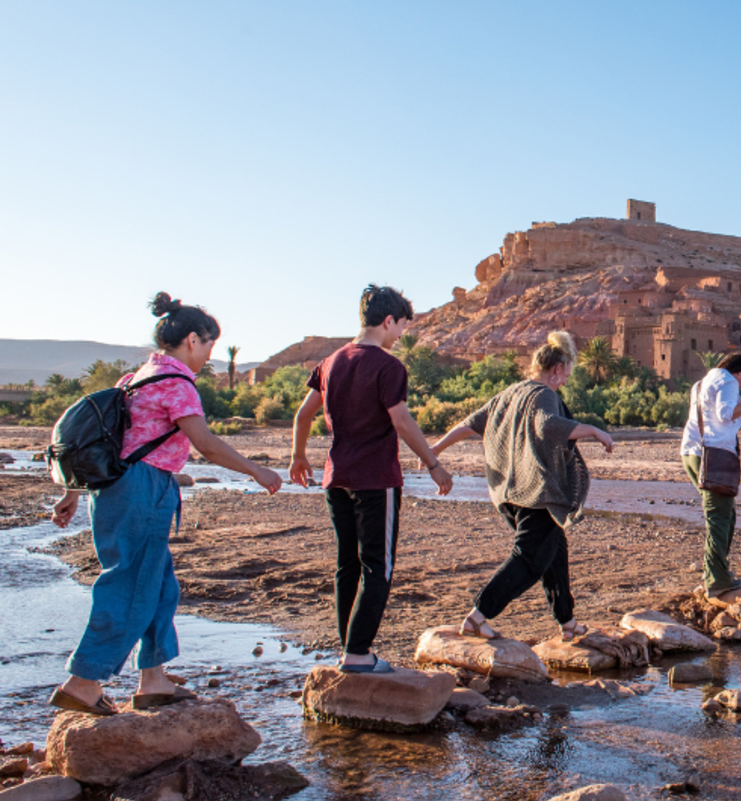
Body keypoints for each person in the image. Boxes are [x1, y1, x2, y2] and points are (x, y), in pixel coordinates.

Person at [49, 293, 283, 716]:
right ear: (193, 340)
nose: (211, 355)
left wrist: (73, 492)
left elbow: (105, 441)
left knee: (157, 584)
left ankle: (153, 680)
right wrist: (256, 471)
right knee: (129, 582)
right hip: (142, 487)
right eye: (210, 345)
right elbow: (206, 444)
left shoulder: (136, 377)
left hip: (115, 487)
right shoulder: (176, 383)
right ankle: (83, 682)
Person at [289, 285, 453, 674]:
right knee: (377, 566)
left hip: (337, 478)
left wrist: (298, 457)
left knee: (347, 564)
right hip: (375, 479)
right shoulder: (388, 366)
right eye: (401, 328)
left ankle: (348, 648)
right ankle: (359, 654)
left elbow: (302, 415)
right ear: (388, 320)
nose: (400, 337)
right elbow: (401, 419)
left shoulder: (331, 362)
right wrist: (433, 464)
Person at [429, 331, 614, 642]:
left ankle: (566, 621)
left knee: (554, 552)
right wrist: (593, 430)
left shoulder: (510, 393)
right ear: (557, 370)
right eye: (565, 376)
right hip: (535, 493)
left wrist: (435, 449)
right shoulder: (545, 394)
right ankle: (477, 616)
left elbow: (469, 424)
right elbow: (547, 426)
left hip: (508, 493)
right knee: (529, 559)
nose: (565, 382)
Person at [680, 354, 741, 595]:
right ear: (740, 371)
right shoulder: (727, 381)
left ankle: (716, 573)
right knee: (719, 519)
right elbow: (726, 413)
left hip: (694, 453)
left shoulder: (704, 381)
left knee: (725, 516)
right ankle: (716, 582)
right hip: (712, 456)